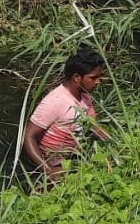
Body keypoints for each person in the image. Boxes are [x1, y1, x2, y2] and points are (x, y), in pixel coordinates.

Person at [23, 48, 110, 184]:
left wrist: (115, 143)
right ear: (76, 77)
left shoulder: (85, 96)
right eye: (93, 78)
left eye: (99, 77)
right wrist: (47, 169)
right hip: (48, 163)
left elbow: (93, 125)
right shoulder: (55, 101)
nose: (98, 81)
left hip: (72, 159)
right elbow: (28, 137)